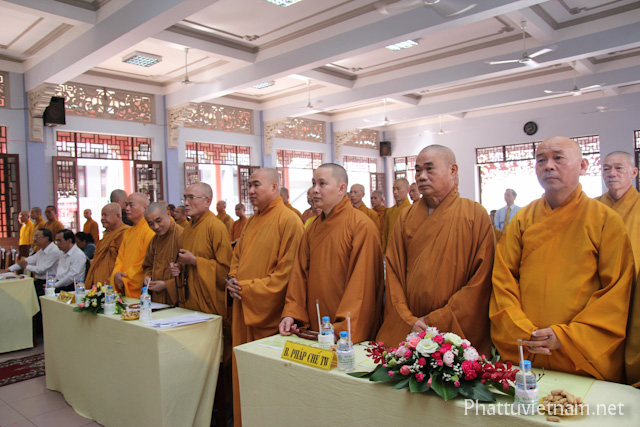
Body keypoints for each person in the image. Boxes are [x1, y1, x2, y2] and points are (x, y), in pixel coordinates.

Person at [490, 136, 634, 383]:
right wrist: (522, 329)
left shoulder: (604, 219)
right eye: (541, 160)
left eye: (558, 158)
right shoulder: (523, 219)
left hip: (579, 353)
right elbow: (503, 279)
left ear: (583, 166)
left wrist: (567, 336)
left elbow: (616, 291)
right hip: (527, 348)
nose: (548, 166)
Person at [376, 146, 495, 356]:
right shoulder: (405, 218)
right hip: (410, 325)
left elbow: (481, 280)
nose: (421, 176)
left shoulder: (475, 215)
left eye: (429, 169)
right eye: (418, 170)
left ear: (452, 170)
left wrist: (435, 320)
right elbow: (393, 272)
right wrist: (408, 319)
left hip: (455, 326)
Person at [227, 168, 304, 426]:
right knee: (244, 376)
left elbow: (287, 274)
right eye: (248, 185)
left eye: (256, 185)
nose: (250, 191)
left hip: (268, 315)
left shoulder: (289, 221)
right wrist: (233, 279)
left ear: (274, 187)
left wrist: (247, 288)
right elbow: (236, 258)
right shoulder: (251, 221)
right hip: (244, 308)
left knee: (268, 386)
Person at [279, 163, 383, 343]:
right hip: (316, 326)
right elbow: (299, 275)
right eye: (313, 183)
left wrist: (342, 329)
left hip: (346, 334)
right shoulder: (312, 228)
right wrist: (292, 313)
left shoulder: (361, 226)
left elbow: (363, 286)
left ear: (341, 189)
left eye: (322, 184)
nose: (315, 190)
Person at [593, 151, 640, 387]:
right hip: (600, 290)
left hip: (635, 289)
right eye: (606, 168)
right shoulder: (592, 207)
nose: (612, 173)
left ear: (634, 172)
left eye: (619, 168)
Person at [169, 182, 232, 315]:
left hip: (209, 302)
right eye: (185, 198)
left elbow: (225, 271)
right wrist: (179, 267)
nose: (186, 203)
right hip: (189, 299)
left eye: (191, 197)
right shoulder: (188, 228)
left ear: (207, 201)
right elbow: (186, 262)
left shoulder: (215, 227)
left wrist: (195, 261)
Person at [110, 193, 155, 298]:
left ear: (144, 207)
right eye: (126, 205)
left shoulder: (150, 230)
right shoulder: (128, 232)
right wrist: (117, 273)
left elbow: (145, 261)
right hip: (123, 283)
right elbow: (120, 258)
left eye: (131, 205)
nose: (127, 209)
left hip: (139, 287)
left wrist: (125, 277)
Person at [142, 202, 184, 304]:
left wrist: (166, 285)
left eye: (158, 221)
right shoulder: (154, 240)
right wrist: (147, 277)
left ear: (168, 214)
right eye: (150, 224)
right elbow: (148, 266)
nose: (155, 227)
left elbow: (189, 273)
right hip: (156, 298)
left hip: (177, 298)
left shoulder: (181, 235)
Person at [84, 204, 129, 287]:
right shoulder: (107, 236)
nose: (102, 218)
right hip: (98, 284)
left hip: (113, 283)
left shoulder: (125, 233)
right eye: (102, 215)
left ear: (118, 216)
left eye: (105, 215)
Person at [382, 178, 411, 253]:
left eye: (398, 189)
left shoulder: (411, 210)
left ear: (408, 190)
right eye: (393, 189)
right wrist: (384, 252)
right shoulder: (390, 211)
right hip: (390, 250)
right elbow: (385, 234)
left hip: (404, 250)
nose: (395, 192)